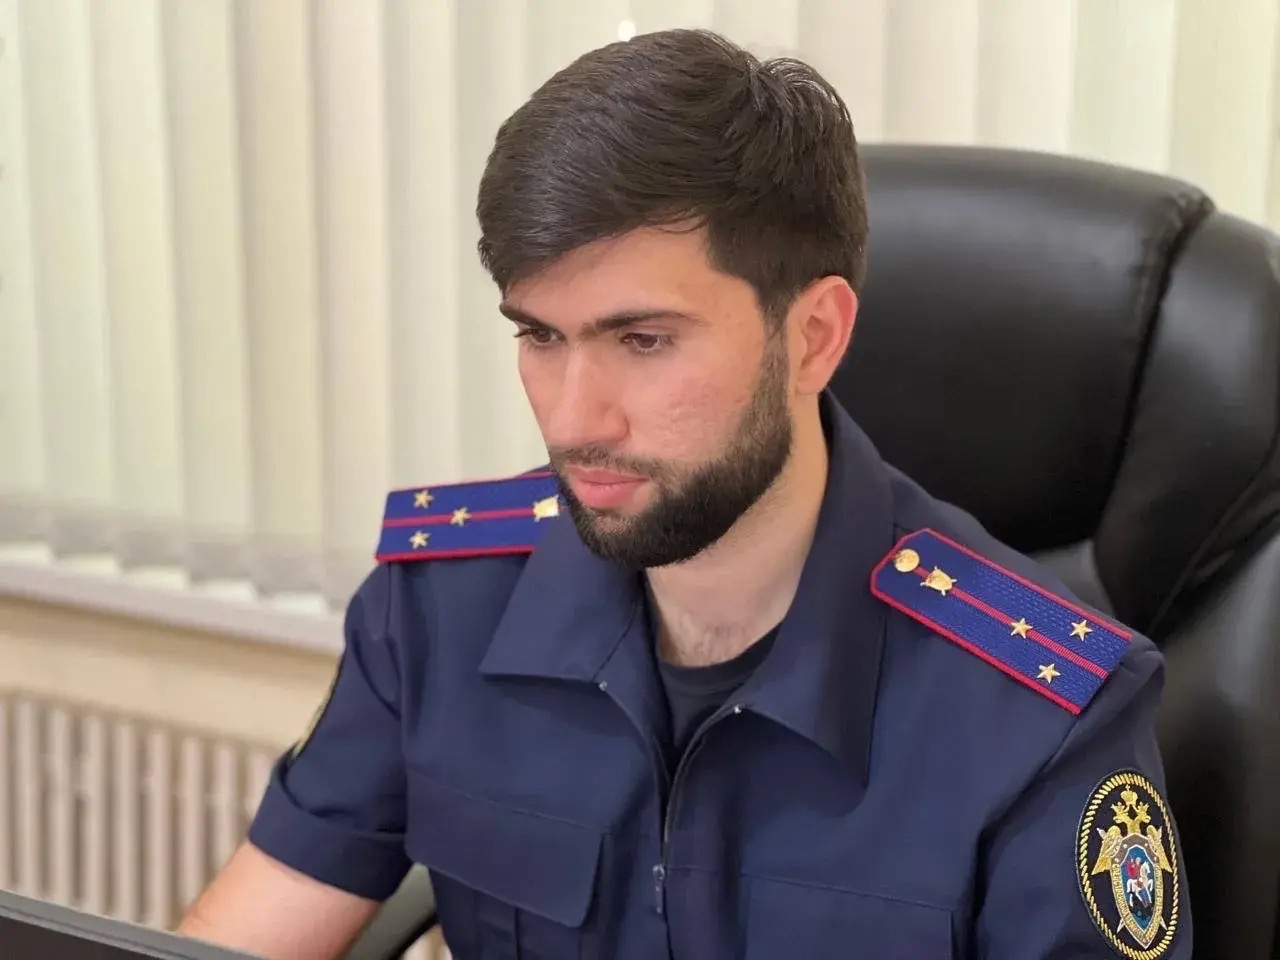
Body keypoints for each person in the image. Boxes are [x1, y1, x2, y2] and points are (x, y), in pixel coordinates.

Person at [177, 28, 1192, 960]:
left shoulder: (1035, 712)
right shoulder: (442, 604)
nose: (574, 419)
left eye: (643, 340)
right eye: (539, 336)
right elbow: (253, 926)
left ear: (813, 337)